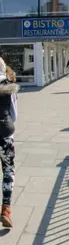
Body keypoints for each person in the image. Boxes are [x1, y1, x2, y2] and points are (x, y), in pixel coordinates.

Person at [0, 58, 17, 227]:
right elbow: (14, 113)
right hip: (5, 132)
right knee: (8, 170)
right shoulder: (8, 85)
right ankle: (6, 209)